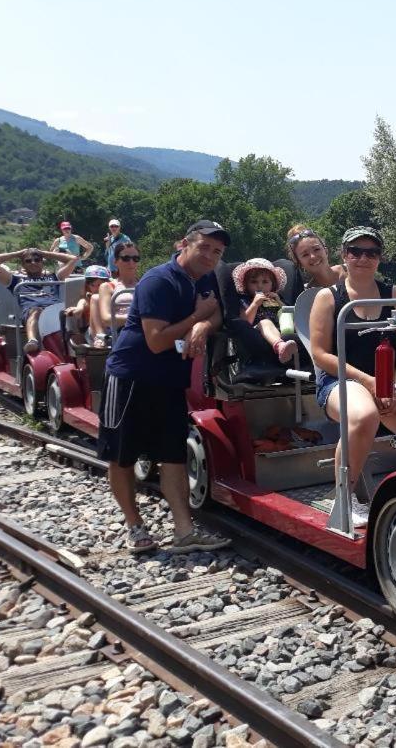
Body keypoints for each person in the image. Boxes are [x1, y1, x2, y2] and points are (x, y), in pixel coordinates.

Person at [98, 220, 232, 554]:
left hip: (171, 381)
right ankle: (135, 526)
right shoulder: (159, 280)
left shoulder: (204, 280)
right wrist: (197, 317)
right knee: (121, 455)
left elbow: (215, 314)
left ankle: (185, 531)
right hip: (132, 377)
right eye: (204, 247)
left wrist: (203, 323)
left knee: (173, 455)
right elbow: (156, 341)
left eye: (217, 251)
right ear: (183, 244)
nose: (210, 256)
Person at [310, 227, 396, 527]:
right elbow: (320, 355)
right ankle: (343, 499)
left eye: (371, 252)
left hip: (391, 380)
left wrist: (395, 386)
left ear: (380, 258)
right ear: (343, 255)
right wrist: (370, 382)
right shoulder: (328, 298)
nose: (362, 258)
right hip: (341, 380)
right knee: (363, 416)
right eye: (354, 251)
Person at [0, 247, 79, 353]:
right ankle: (32, 341)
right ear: (23, 265)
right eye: (28, 261)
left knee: (75, 311)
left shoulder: (54, 277)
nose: (33, 262)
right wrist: (18, 253)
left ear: (42, 262)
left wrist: (43, 253)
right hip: (32, 311)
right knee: (36, 310)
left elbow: (73, 259)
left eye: (37, 260)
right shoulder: (15, 280)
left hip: (55, 310)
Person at [231, 258, 298, 364]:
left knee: (290, 316)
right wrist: (255, 304)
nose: (260, 286)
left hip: (283, 329)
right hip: (257, 332)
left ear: (273, 285)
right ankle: (280, 346)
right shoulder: (246, 300)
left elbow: (290, 313)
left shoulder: (276, 298)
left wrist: (279, 302)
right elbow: (244, 322)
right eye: (254, 282)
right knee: (265, 322)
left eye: (265, 282)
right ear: (246, 285)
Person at [92, 241, 141, 347]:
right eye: (126, 258)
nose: (131, 262)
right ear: (115, 261)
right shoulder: (108, 287)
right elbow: (106, 318)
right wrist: (139, 318)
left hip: (145, 329)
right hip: (121, 332)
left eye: (135, 258)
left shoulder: (145, 284)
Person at [65, 265, 111, 346]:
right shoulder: (86, 299)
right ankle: (100, 337)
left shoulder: (111, 298)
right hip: (94, 333)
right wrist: (77, 309)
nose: (96, 289)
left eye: (100, 285)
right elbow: (81, 306)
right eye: (92, 285)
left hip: (112, 330)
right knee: (95, 298)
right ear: (88, 286)